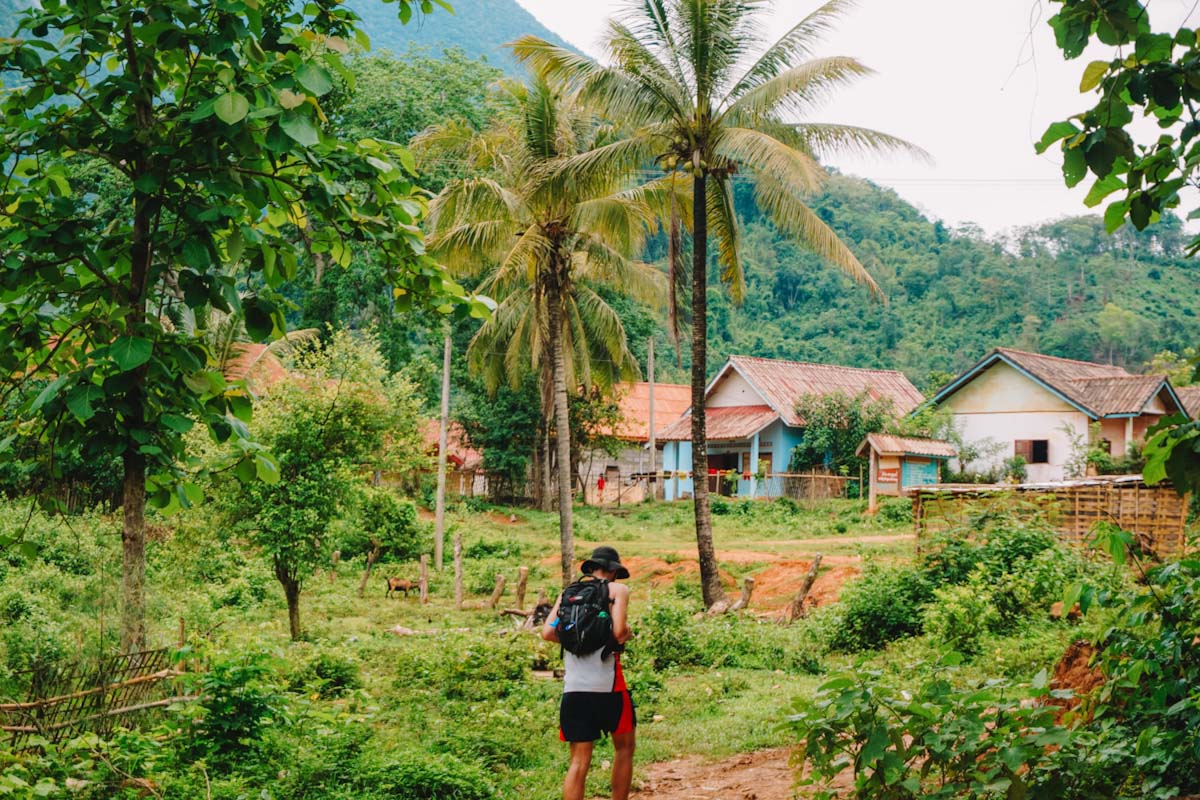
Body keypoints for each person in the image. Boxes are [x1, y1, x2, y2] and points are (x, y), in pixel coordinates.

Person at [542, 546, 635, 800]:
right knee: (625, 747)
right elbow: (618, 632)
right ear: (614, 571)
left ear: (591, 568)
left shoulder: (569, 593)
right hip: (609, 688)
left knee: (579, 762)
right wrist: (628, 632)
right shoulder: (618, 590)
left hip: (574, 689)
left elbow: (548, 633)